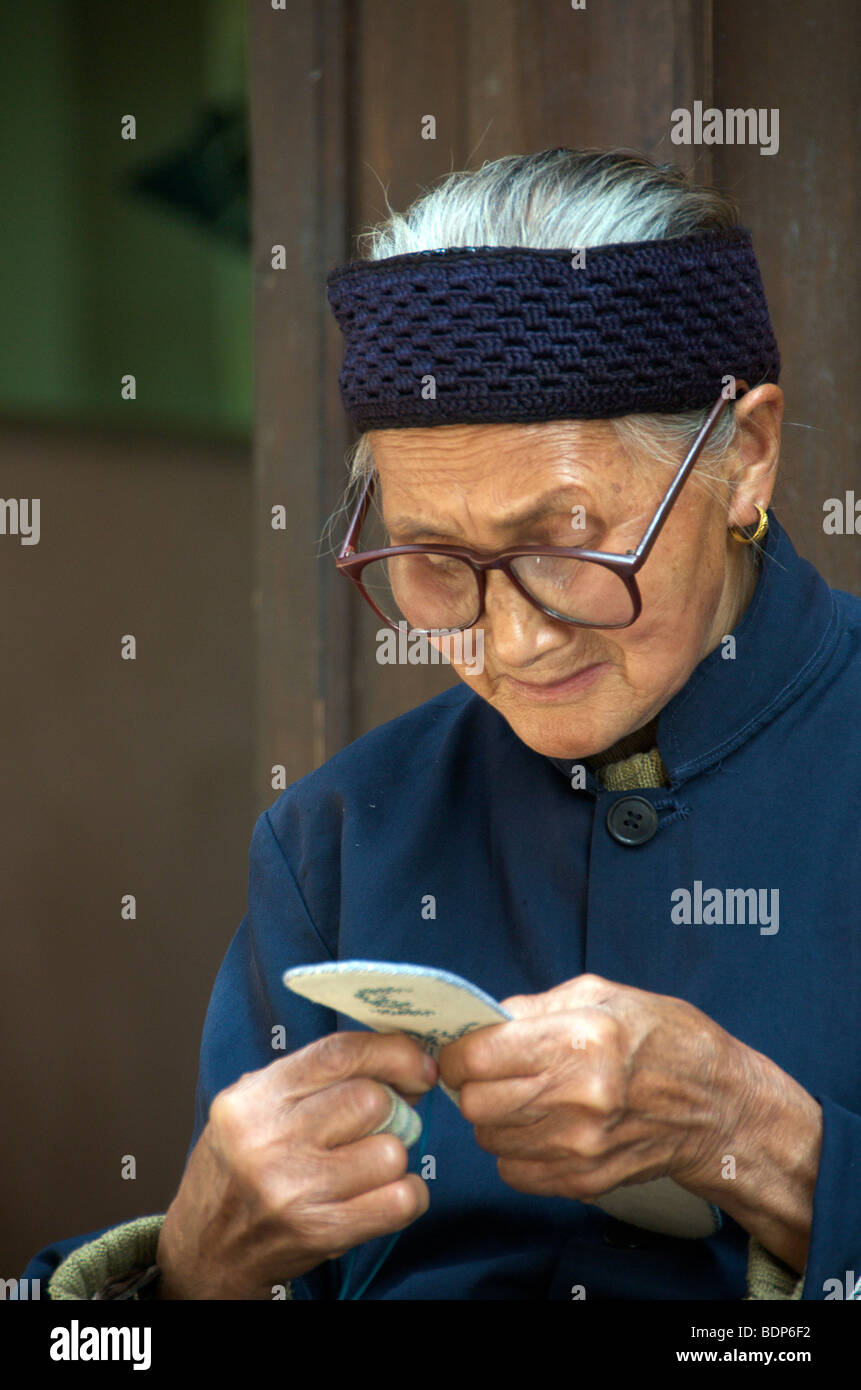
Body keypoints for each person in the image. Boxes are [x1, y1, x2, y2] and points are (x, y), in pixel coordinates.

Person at [24, 148, 860, 1301]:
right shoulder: (339, 843)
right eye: (432, 563)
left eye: (567, 543)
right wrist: (195, 1267)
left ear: (747, 457)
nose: (509, 644)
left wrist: (775, 1146)